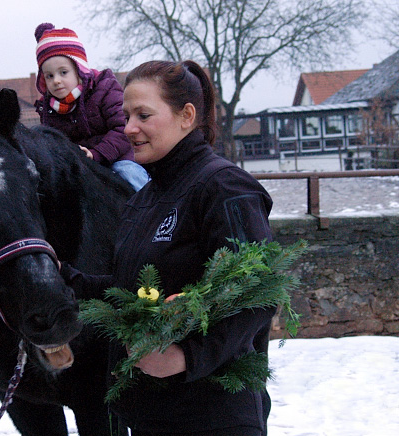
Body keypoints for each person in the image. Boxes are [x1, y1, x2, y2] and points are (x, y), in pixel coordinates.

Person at [61, 60, 275, 435]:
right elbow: (133, 293)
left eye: (143, 114)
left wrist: (186, 356)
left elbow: (258, 291)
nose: (129, 128)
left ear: (186, 115)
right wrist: (66, 279)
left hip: (212, 419)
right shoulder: (142, 200)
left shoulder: (223, 187)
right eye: (126, 115)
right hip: (149, 417)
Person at [34, 23, 149, 191]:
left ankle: (155, 211)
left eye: (63, 72)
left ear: (79, 70)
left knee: (128, 174)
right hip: (81, 167)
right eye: (49, 76)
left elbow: (123, 128)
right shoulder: (49, 109)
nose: (56, 80)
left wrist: (96, 154)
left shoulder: (105, 88)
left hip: (117, 158)